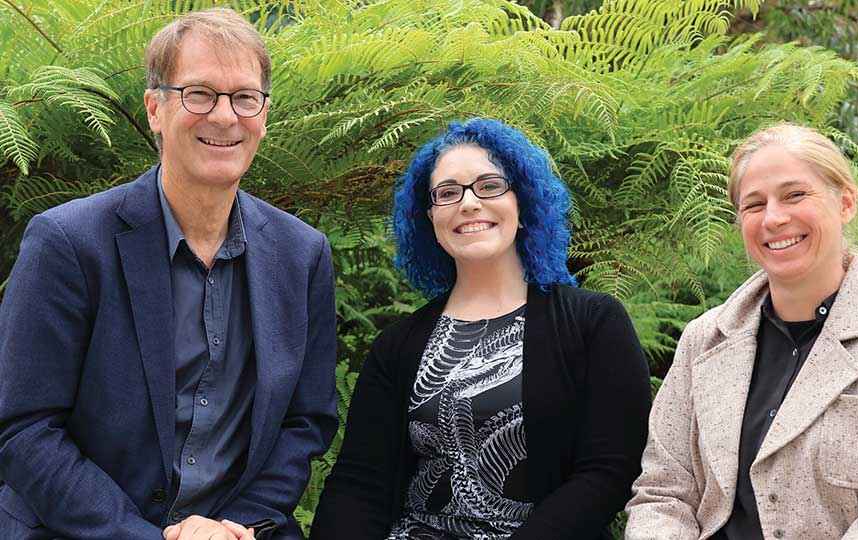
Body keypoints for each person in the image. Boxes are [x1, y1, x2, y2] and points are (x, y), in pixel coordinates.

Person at [0, 8, 338, 540]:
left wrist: (232, 527)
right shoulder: (67, 243)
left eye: (245, 97)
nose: (225, 116)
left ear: (264, 115)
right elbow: (24, 429)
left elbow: (306, 422)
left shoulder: (302, 255)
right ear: (155, 108)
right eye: (199, 93)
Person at [310, 118, 651, 540]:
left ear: (522, 204)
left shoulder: (593, 323)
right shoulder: (398, 345)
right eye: (448, 193)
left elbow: (609, 470)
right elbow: (359, 483)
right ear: (429, 219)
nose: (468, 203)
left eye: (489, 185)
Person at [624, 123, 858, 539]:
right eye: (754, 204)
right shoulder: (704, 339)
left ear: (847, 203)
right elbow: (663, 494)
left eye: (795, 195)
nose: (774, 218)